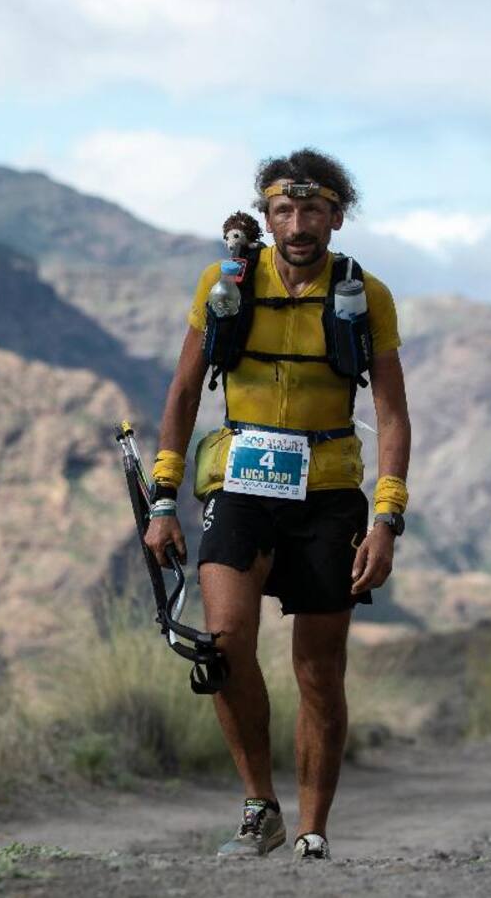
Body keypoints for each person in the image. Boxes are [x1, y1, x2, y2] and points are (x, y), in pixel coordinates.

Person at [143, 148, 411, 861]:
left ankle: (312, 830)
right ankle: (259, 806)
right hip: (240, 486)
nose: (298, 224)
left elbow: (392, 414)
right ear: (265, 218)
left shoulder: (367, 295)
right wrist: (163, 498)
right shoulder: (225, 284)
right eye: (284, 211)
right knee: (224, 645)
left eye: (312, 210)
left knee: (319, 670)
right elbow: (182, 392)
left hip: (329, 496)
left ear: (336, 217)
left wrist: (386, 519)